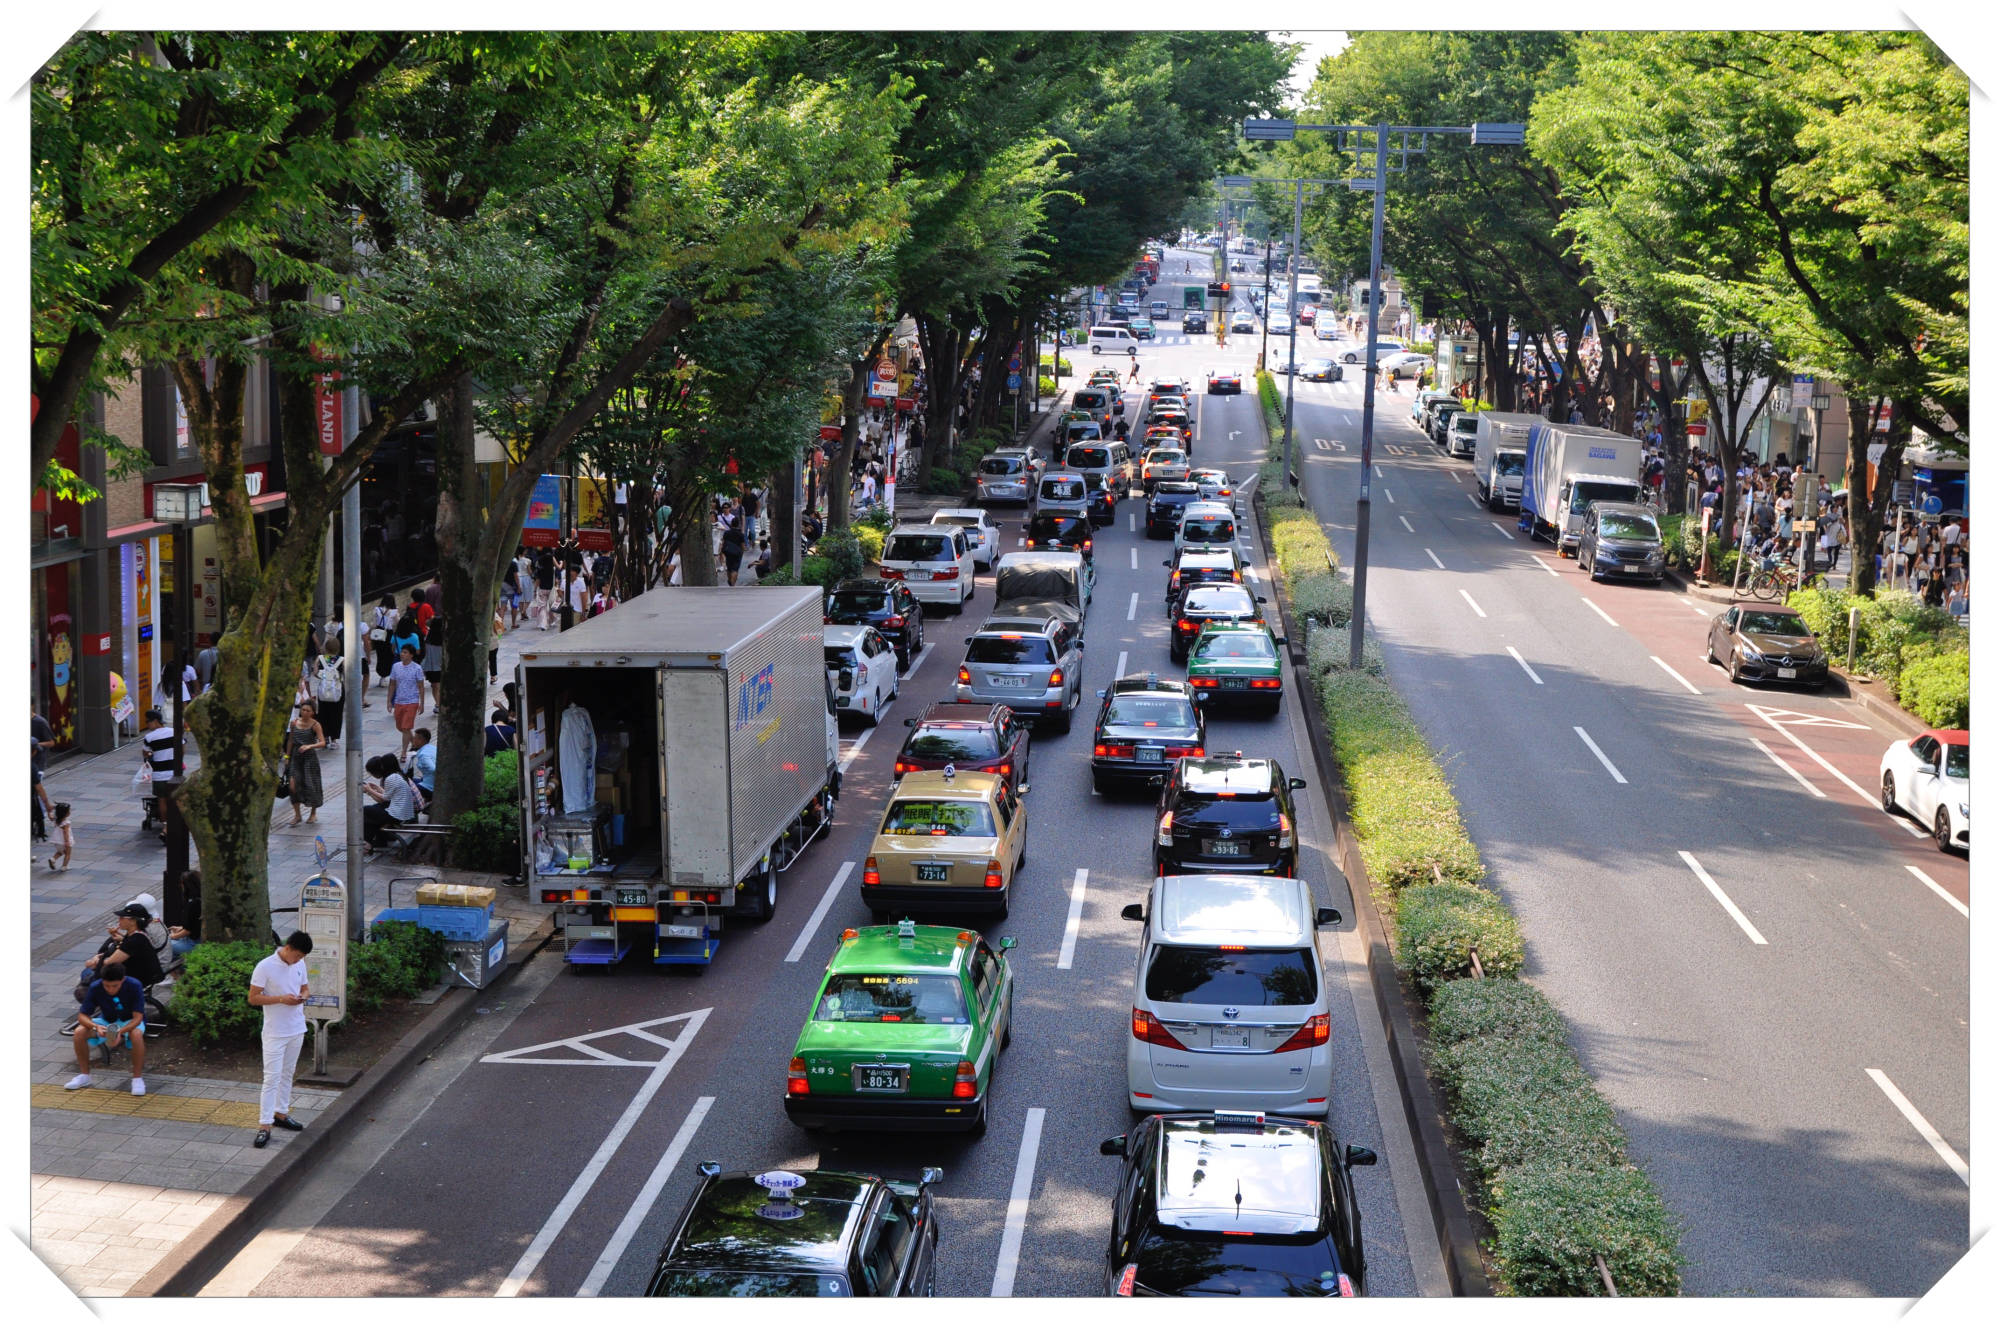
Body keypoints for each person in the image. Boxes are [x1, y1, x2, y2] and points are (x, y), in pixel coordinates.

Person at [248, 931, 314, 1147]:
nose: (299, 961)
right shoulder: (265, 966)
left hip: (296, 1027)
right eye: (298, 956)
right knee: (271, 1078)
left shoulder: (299, 964)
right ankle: (264, 1124)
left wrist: (303, 997)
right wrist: (281, 999)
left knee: (287, 1073)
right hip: (275, 1032)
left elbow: (305, 987)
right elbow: (253, 998)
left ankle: (281, 1113)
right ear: (288, 948)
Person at [66, 963, 147, 1096]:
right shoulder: (95, 986)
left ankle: (137, 1078)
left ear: (122, 980)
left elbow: (138, 1018)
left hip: (129, 1021)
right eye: (106, 986)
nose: (110, 989)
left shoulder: (134, 985)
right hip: (107, 1021)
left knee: (136, 1034)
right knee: (79, 1032)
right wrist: (96, 1027)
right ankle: (84, 1075)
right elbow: (82, 1016)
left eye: (114, 986)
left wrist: (121, 1031)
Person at [80, 904, 165, 995]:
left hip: (136, 978)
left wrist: (98, 959)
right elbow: (125, 948)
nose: (119, 920)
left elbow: (110, 963)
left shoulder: (135, 940)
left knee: (86, 976)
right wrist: (118, 937)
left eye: (122, 918)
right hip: (141, 974)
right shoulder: (139, 934)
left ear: (133, 921)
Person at [361, 754, 417, 849]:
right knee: (374, 809)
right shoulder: (397, 775)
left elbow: (385, 798)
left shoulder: (391, 778)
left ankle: (367, 843)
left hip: (397, 815)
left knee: (365, 810)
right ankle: (379, 840)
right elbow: (390, 796)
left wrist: (369, 790)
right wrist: (377, 789)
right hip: (402, 812)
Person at [286, 701, 326, 826]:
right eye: (303, 710)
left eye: (308, 710)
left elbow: (322, 742)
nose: (305, 712)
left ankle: (313, 813)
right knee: (292, 785)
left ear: (313, 712)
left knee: (311, 785)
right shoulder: (294, 723)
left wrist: (310, 746)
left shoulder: (315, 725)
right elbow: (290, 740)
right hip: (295, 757)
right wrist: (287, 756)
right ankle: (297, 815)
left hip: (309, 758)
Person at [387, 644, 427, 757]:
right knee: (401, 727)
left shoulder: (417, 668)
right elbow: (392, 684)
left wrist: (422, 703)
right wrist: (389, 701)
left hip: (412, 701)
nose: (402, 654)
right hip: (399, 701)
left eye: (405, 652)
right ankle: (416, 744)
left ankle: (404, 752)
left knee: (406, 727)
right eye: (402, 652)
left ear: (411, 655)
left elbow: (421, 686)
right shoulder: (396, 667)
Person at [312, 647, 345, 748]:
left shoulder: (320, 658)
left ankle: (325, 737)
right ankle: (334, 740)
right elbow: (346, 674)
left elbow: (315, 673)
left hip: (323, 691)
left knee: (323, 713)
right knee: (336, 715)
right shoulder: (342, 660)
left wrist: (324, 678)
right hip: (337, 691)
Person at [368, 594, 398, 700]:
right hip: (388, 634)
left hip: (378, 634)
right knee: (389, 655)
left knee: (380, 655)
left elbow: (373, 623)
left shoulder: (377, 609)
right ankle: (386, 676)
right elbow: (396, 624)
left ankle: (382, 676)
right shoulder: (394, 612)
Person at [169, 871, 203, 960]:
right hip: (193, 939)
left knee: (164, 946)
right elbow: (193, 925)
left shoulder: (193, 904)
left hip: (193, 943)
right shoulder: (199, 901)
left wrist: (171, 937)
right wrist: (181, 928)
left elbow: (188, 931)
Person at [420, 613, 445, 709]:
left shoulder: (428, 638)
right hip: (442, 666)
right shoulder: (445, 640)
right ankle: (441, 704)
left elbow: (425, 654)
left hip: (432, 667)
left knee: (435, 686)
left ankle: (438, 704)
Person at [408, 728, 438, 799]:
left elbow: (434, 769)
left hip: (429, 787)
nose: (413, 740)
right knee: (411, 780)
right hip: (429, 781)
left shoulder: (423, 755)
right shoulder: (433, 748)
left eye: (415, 738)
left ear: (420, 740)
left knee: (405, 787)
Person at [47, 801, 73, 872]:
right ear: (66, 814)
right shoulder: (66, 823)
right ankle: (64, 866)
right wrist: (67, 841)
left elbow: (50, 817)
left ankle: (53, 859)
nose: (70, 812)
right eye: (69, 811)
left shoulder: (57, 819)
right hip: (64, 841)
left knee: (60, 852)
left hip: (56, 841)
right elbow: (66, 833)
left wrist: (49, 811)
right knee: (68, 854)